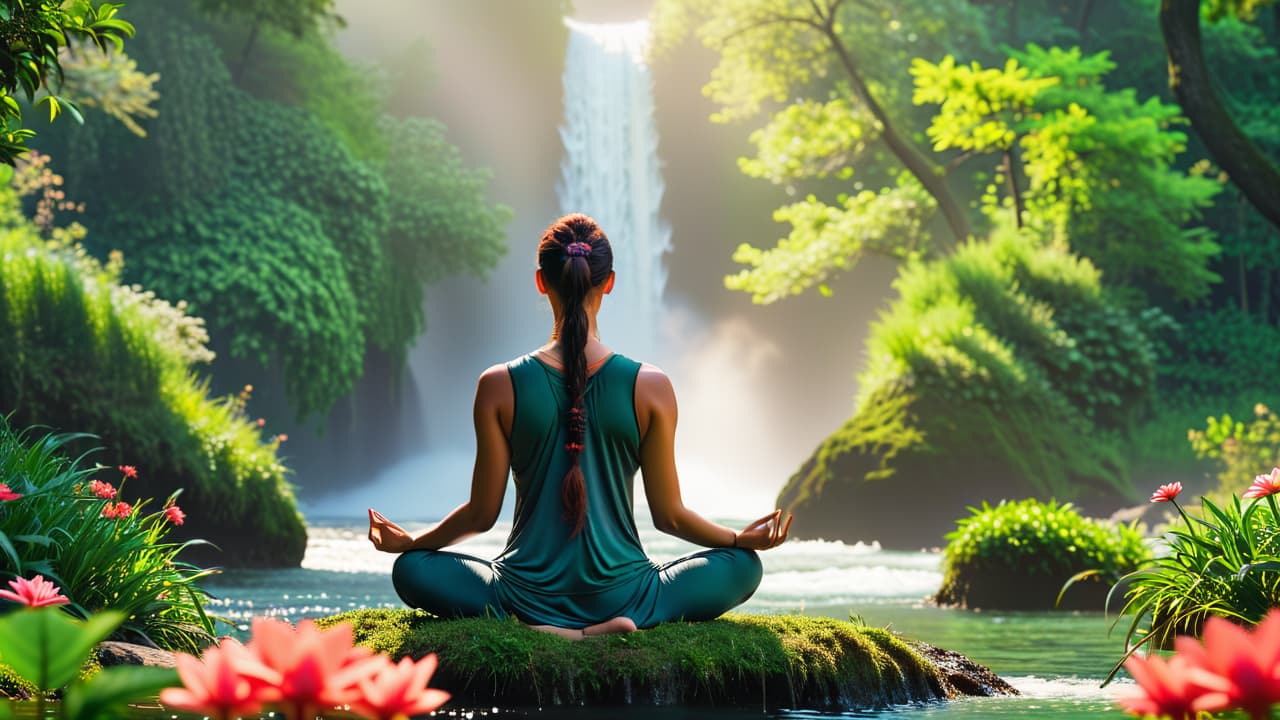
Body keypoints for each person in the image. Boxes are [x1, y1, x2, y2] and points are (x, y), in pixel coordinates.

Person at [368, 213, 793, 639]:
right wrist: (737, 540)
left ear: (541, 281)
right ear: (607, 282)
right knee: (743, 568)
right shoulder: (651, 386)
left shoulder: (498, 385)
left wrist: (413, 544)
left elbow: (481, 516)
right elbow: (670, 518)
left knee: (411, 571)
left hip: (522, 596)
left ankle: (541, 629)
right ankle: (610, 627)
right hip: (627, 597)